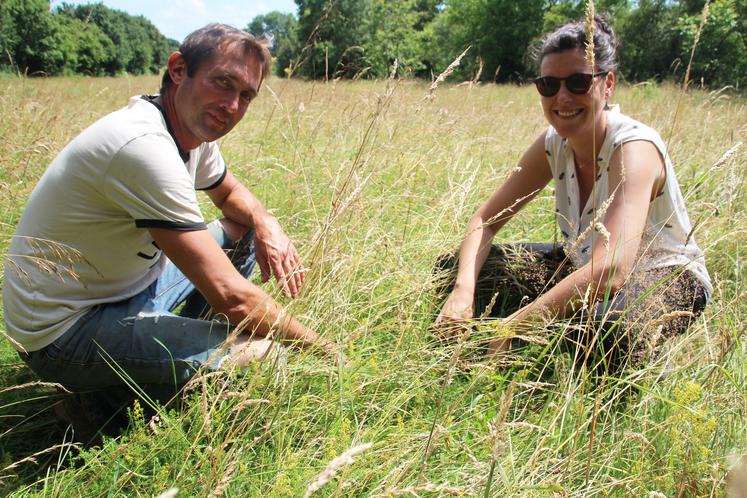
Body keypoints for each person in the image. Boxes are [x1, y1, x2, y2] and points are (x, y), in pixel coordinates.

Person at [3, 24, 334, 431]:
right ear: (179, 69)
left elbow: (230, 196)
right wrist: (329, 352)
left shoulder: (190, 131)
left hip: (126, 288)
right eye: (223, 82)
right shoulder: (142, 146)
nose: (232, 105)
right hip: (64, 333)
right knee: (266, 358)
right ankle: (109, 400)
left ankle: (172, 360)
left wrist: (266, 221)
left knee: (242, 230)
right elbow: (233, 298)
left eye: (246, 95)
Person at [435, 15, 711, 370]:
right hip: (585, 262)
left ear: (607, 84)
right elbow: (485, 220)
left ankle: (602, 387)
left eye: (579, 82)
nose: (562, 97)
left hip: (665, 277)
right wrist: (462, 292)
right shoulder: (554, 143)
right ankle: (467, 357)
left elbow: (612, 268)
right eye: (548, 85)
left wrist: (517, 325)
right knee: (455, 269)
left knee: (603, 327)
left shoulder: (634, 147)